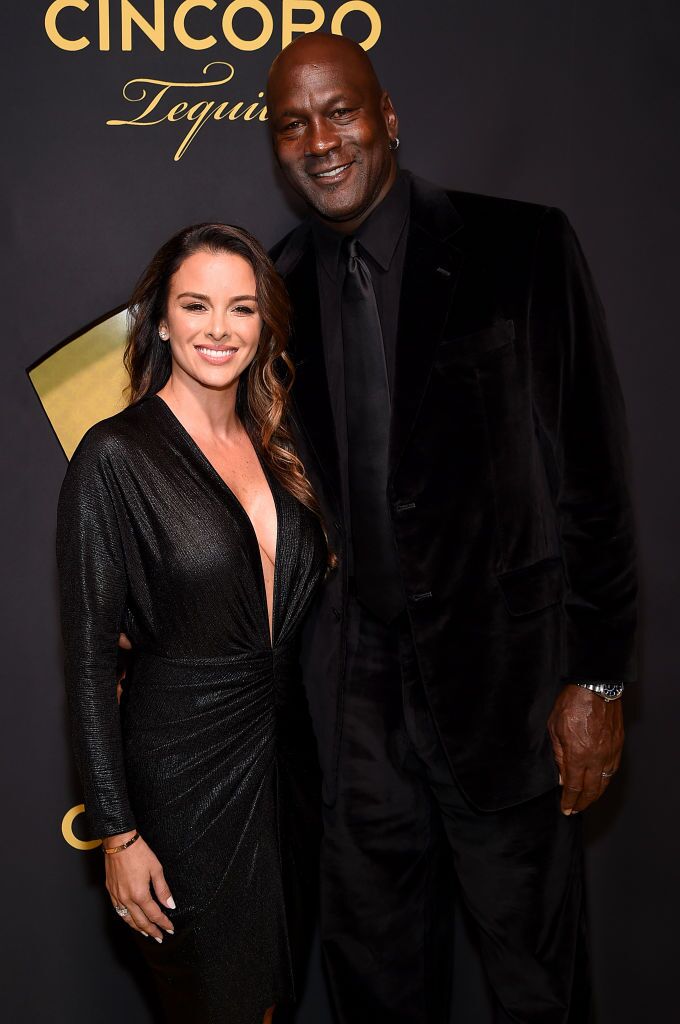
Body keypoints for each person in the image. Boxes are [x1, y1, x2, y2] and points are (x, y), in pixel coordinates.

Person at [264, 32, 637, 1024]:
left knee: (534, 987)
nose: (319, 138)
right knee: (374, 987)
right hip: (352, 709)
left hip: (506, 692)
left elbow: (593, 477)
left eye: (338, 109)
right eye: (292, 123)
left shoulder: (520, 247)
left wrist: (594, 678)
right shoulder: (273, 289)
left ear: (386, 115)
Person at [56, 223, 327, 1024]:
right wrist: (116, 834)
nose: (219, 328)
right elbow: (86, 662)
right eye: (196, 305)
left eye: (241, 308)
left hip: (288, 774)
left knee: (273, 997)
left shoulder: (281, 445)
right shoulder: (113, 458)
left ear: (263, 325)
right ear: (162, 321)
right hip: (184, 780)